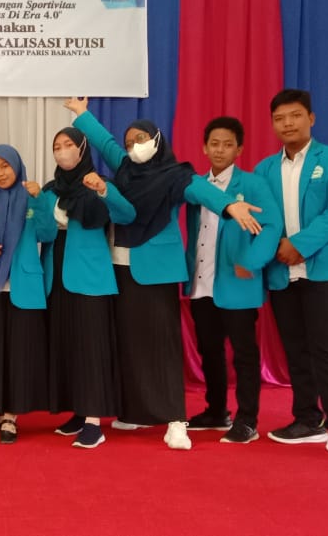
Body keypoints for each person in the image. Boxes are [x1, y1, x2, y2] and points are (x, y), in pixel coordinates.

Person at [64, 97, 262, 451]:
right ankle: (137, 411)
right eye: (129, 142)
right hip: (120, 268)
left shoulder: (175, 175)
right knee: (129, 344)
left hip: (156, 272)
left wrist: (229, 205)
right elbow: (105, 142)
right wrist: (82, 114)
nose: (133, 147)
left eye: (140, 139)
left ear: (156, 140)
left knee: (162, 347)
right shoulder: (125, 168)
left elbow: (202, 190)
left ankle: (176, 421)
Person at [253, 89, 328, 460]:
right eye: (279, 118)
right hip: (282, 272)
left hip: (324, 267)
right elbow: (261, 218)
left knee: (326, 347)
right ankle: (307, 419)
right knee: (296, 349)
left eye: (295, 116)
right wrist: (273, 248)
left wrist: (299, 245)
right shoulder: (264, 169)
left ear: (311, 118)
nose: (287, 124)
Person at [183, 117, 282, 444]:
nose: (220, 150)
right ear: (204, 147)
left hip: (238, 281)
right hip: (202, 283)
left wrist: (251, 262)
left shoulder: (252, 184)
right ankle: (216, 411)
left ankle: (247, 420)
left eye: (227, 144)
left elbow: (272, 226)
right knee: (209, 350)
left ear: (239, 149)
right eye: (214, 144)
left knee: (243, 354)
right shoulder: (197, 186)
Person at [42, 127, 136, 449]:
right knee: (68, 346)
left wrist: (104, 191)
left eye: (69, 144)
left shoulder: (98, 183)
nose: (62, 150)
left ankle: (94, 422)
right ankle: (79, 412)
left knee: (90, 348)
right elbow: (42, 230)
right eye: (57, 146)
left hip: (90, 277)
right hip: (56, 275)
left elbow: (127, 214)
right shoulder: (51, 190)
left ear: (82, 148)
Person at [0, 145, 56, 444]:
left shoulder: (32, 196)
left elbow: (48, 234)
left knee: (18, 353)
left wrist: (40, 201)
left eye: (5, 166)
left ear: (17, 166)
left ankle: (10, 416)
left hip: (22, 287)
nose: (0, 173)